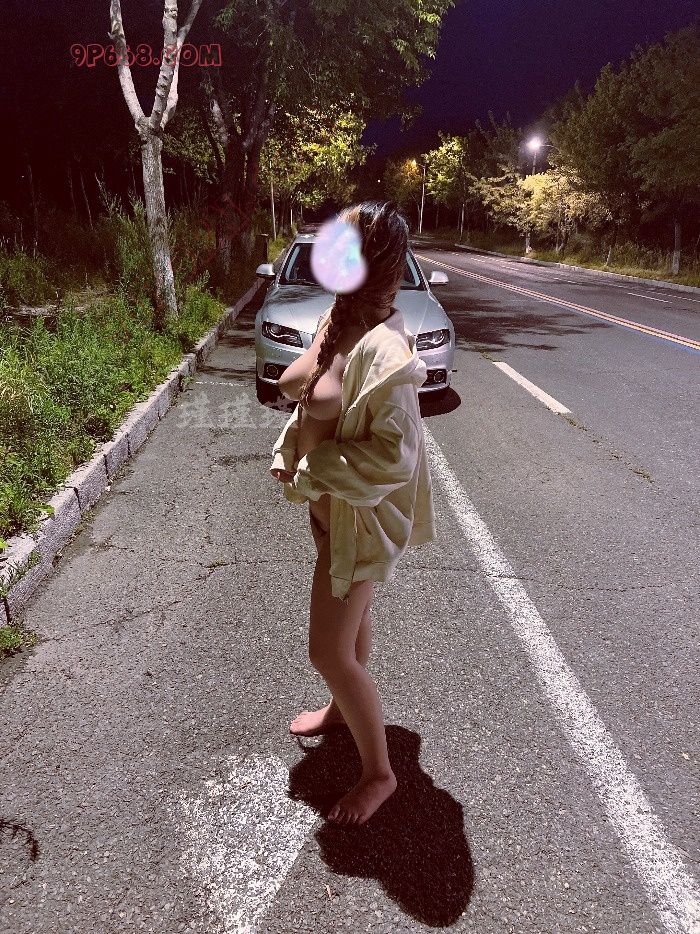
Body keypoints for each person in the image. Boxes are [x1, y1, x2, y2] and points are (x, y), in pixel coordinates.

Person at [269, 200, 436, 826]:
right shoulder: (339, 320)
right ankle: (342, 711)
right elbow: (298, 387)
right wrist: (295, 448)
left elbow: (396, 459)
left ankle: (380, 774)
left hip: (361, 524)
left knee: (327, 652)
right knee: (352, 623)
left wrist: (314, 466)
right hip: (332, 513)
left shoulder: (388, 355)